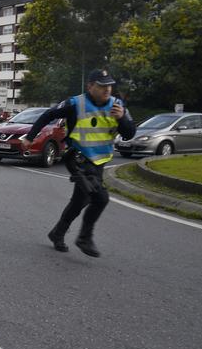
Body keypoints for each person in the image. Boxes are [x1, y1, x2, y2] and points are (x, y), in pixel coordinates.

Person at [20, 69, 136, 257]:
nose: (107, 89)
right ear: (90, 86)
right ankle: (84, 237)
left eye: (109, 86)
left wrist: (122, 118)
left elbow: (130, 133)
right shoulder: (76, 103)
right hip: (78, 159)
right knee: (101, 198)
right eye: (101, 86)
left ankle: (57, 233)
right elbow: (48, 115)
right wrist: (30, 137)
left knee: (80, 201)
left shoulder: (118, 106)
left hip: (99, 162)